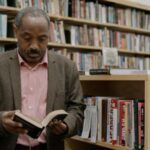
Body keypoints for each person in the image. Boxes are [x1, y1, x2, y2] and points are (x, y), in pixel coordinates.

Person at [0, 7, 84, 150]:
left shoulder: (67, 67)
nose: (34, 46)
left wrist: (66, 125)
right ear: (15, 31)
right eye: (27, 38)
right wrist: (1, 121)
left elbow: (77, 108)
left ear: (49, 35)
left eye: (42, 39)